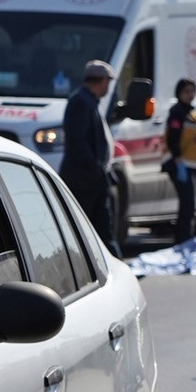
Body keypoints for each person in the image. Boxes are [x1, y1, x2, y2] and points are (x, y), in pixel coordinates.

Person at [59, 58, 118, 249]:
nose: (108, 86)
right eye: (108, 81)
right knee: (84, 228)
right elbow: (78, 141)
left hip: (94, 178)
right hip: (83, 180)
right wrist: (94, 166)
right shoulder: (81, 102)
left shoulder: (89, 101)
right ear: (101, 81)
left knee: (101, 227)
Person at [162, 78, 196, 242]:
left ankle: (185, 238)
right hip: (179, 164)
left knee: (189, 205)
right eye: (187, 91)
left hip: (189, 165)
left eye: (192, 91)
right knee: (187, 205)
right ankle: (182, 240)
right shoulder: (177, 112)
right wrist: (178, 160)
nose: (190, 95)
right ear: (179, 93)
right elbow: (173, 138)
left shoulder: (190, 112)